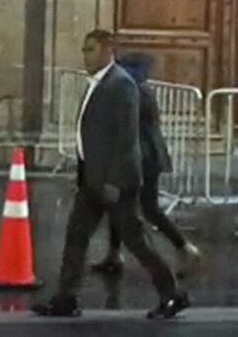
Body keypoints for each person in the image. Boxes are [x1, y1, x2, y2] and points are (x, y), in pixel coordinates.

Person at [33, 30, 189, 320]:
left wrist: (114, 182)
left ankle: (173, 294)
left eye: (90, 49)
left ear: (107, 50)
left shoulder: (121, 85)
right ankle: (65, 299)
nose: (85, 55)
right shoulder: (99, 83)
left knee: (137, 241)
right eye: (83, 49)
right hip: (91, 178)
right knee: (76, 236)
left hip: (114, 182)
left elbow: (126, 139)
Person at [91, 52, 201, 277]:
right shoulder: (138, 89)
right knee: (120, 206)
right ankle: (114, 254)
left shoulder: (128, 91)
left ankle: (183, 248)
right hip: (145, 156)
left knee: (145, 208)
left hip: (139, 158)